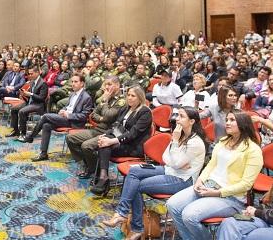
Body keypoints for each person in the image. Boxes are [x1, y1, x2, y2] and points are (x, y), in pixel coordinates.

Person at [101, 107, 207, 240]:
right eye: (177, 115)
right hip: (170, 170)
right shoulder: (181, 135)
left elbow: (175, 163)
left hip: (182, 180)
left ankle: (136, 229)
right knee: (133, 172)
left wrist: (174, 145)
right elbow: (165, 158)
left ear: (192, 121)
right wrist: (175, 161)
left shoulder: (195, 142)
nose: (177, 119)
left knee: (137, 186)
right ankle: (121, 213)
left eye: (181, 116)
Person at [167, 110, 263, 240]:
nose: (227, 123)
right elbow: (211, 165)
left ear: (243, 124)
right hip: (208, 185)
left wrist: (216, 193)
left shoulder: (253, 150)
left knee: (189, 215)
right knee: (172, 204)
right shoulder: (223, 141)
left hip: (230, 198)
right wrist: (200, 180)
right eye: (227, 120)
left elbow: (246, 185)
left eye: (232, 120)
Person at [90, 85, 152, 196]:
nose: (129, 98)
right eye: (128, 95)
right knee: (103, 143)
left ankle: (103, 179)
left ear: (140, 97)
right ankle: (103, 177)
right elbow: (116, 126)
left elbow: (133, 134)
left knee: (104, 145)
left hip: (133, 146)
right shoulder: (126, 108)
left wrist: (111, 141)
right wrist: (105, 135)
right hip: (120, 141)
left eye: (133, 96)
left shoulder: (145, 112)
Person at [18, 74, 93, 162]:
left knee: (46, 116)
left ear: (82, 84)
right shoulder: (73, 94)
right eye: (72, 82)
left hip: (74, 122)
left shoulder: (86, 97)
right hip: (65, 118)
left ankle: (30, 137)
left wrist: (68, 115)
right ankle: (43, 153)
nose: (73, 84)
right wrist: (62, 110)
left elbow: (84, 116)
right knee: (46, 125)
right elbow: (67, 107)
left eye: (76, 82)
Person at [66, 75, 125, 178]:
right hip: (97, 129)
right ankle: (87, 163)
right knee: (70, 138)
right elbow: (93, 114)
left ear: (117, 85)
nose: (106, 87)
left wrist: (105, 103)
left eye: (109, 84)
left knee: (86, 146)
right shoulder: (107, 97)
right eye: (106, 84)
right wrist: (102, 118)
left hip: (109, 132)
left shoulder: (121, 101)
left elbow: (108, 115)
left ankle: (92, 169)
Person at [7, 66, 48, 138]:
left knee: (22, 111)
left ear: (37, 73)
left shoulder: (43, 83)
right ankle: (16, 131)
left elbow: (41, 98)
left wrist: (30, 94)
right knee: (13, 109)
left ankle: (23, 134)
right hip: (30, 102)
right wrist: (24, 94)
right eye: (29, 74)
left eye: (32, 74)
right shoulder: (32, 82)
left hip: (38, 105)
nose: (30, 75)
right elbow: (30, 95)